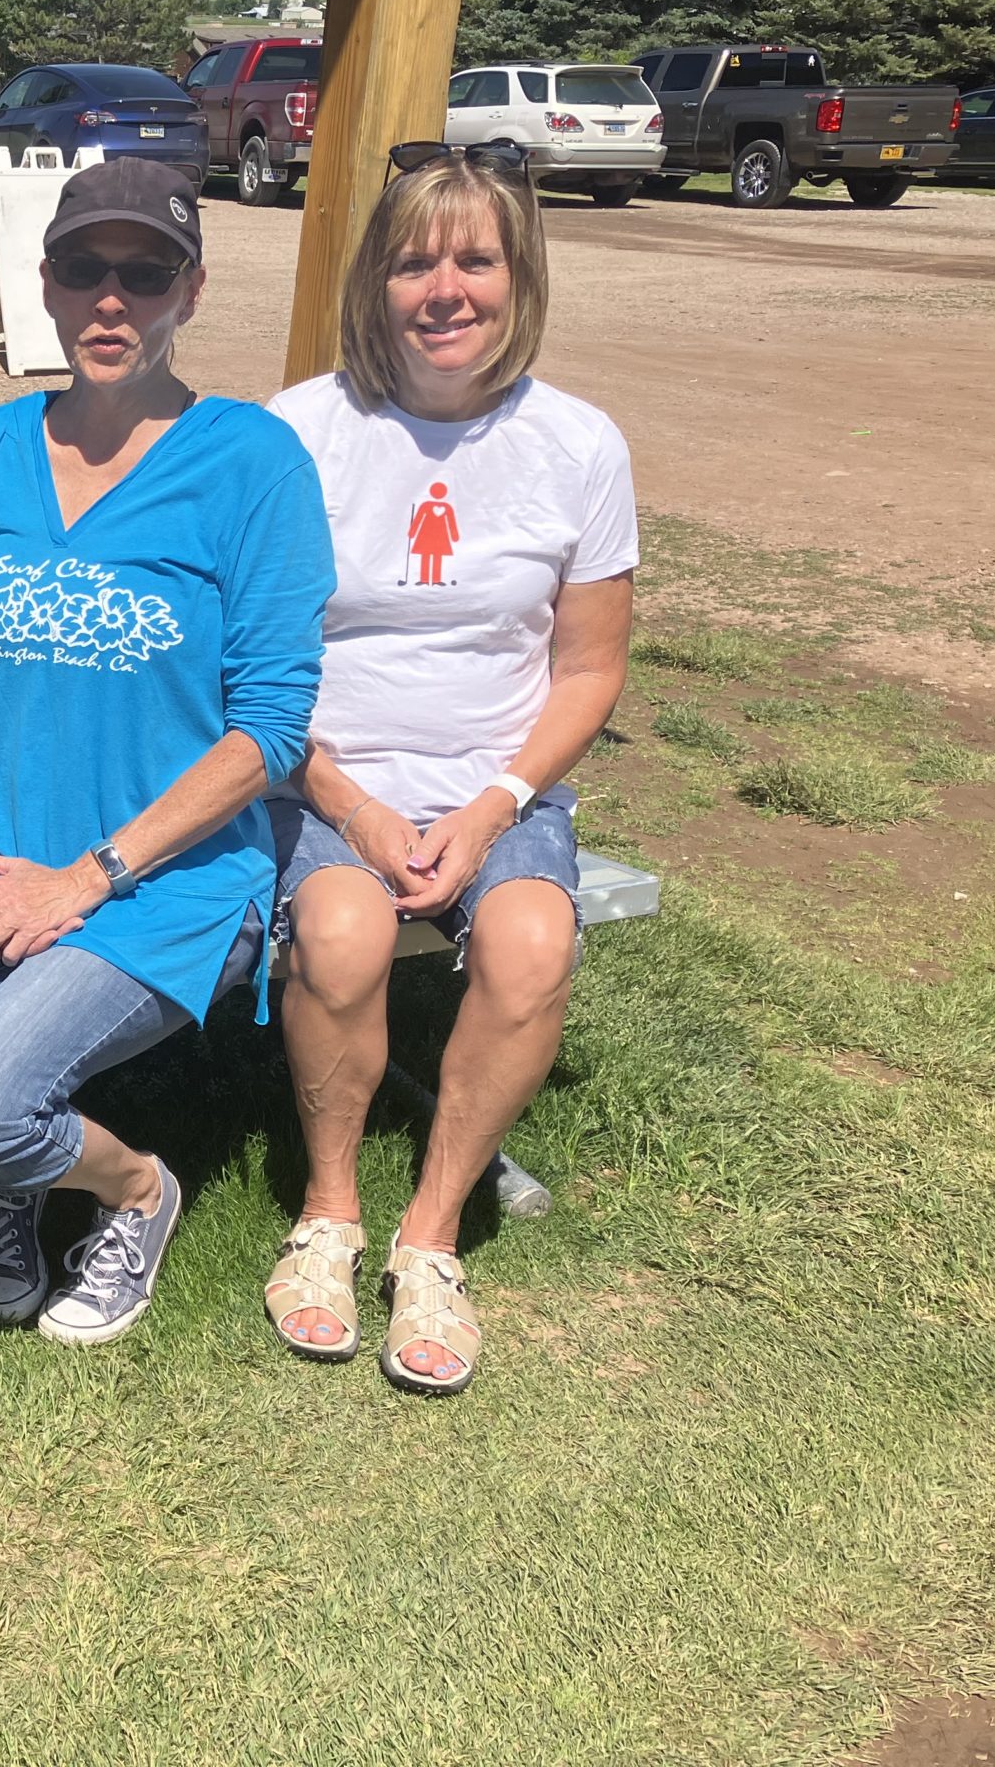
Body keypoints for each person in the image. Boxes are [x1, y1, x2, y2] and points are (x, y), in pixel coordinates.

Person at [0, 158, 332, 1348]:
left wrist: (88, 878)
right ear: (45, 284)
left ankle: (131, 1189)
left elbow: (270, 728)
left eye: (146, 273)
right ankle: (15, 1167)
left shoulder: (252, 464)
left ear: (190, 291)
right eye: (82, 268)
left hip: (161, 879)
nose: (111, 299)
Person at [263, 142, 636, 1395]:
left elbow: (587, 671)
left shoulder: (579, 444)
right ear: (372, 279)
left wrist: (490, 810)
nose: (444, 290)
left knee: (531, 943)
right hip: (325, 775)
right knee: (342, 931)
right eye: (413, 262)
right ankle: (327, 1211)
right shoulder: (299, 431)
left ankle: (429, 1237)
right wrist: (350, 804)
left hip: (497, 783)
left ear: (518, 276)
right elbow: (244, 659)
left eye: (475, 260)